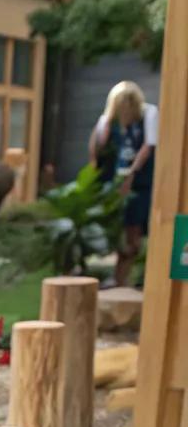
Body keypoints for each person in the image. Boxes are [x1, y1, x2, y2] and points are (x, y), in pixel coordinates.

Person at [89, 80, 158, 287]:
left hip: (139, 183)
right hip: (114, 184)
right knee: (119, 231)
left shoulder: (149, 114)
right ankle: (120, 278)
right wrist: (104, 124)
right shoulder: (110, 120)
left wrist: (131, 175)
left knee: (134, 232)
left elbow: (148, 147)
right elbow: (96, 150)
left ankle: (127, 277)